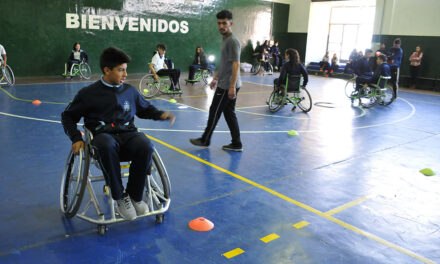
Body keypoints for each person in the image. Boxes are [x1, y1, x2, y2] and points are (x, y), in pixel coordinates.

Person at [61, 47, 175, 220]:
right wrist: (76, 138)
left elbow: (145, 109)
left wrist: (160, 115)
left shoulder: (129, 91)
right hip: (102, 138)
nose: (125, 74)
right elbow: (68, 116)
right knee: (106, 144)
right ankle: (120, 196)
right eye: (121, 70)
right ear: (107, 70)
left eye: (125, 70)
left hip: (127, 135)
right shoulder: (88, 93)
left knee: (145, 145)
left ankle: (135, 196)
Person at [189, 9, 242, 152]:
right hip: (225, 82)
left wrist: (231, 86)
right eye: (219, 23)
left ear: (231, 23)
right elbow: (225, 63)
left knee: (214, 111)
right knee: (229, 113)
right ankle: (237, 143)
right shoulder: (225, 39)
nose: (221, 26)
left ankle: (205, 140)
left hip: (227, 85)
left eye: (224, 23)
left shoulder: (233, 41)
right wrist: (216, 78)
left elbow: (236, 64)